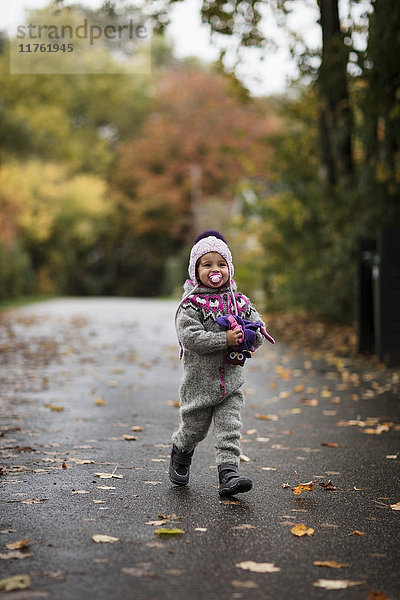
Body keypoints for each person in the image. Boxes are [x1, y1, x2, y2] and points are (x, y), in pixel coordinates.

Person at [169, 230, 274, 496]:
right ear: (196, 270)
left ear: (229, 268)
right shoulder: (191, 305)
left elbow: (258, 326)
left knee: (230, 428)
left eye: (221, 264)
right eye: (207, 264)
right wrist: (224, 339)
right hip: (199, 384)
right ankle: (181, 450)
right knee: (194, 429)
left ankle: (229, 474)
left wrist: (251, 335)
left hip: (231, 383)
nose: (215, 269)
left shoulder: (240, 302)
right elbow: (190, 338)